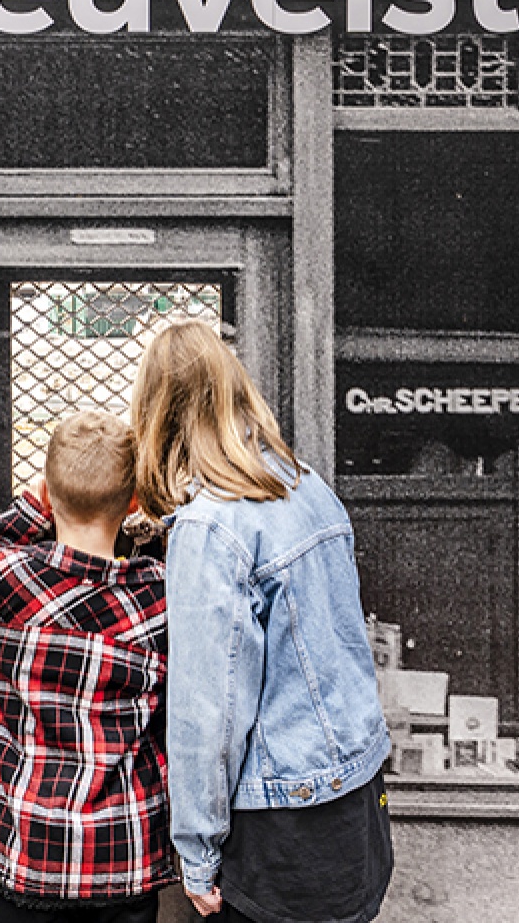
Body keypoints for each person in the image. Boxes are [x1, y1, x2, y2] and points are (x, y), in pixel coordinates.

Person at [130, 319, 393, 923]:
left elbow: (210, 710)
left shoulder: (210, 527)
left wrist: (195, 854)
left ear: (158, 416)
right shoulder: (307, 487)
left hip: (280, 827)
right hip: (354, 802)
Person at [0, 409, 174, 923]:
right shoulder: (159, 595)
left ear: (48, 494)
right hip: (123, 859)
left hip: (29, 853)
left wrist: (29, 510)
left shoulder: (5, 581)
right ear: (132, 502)